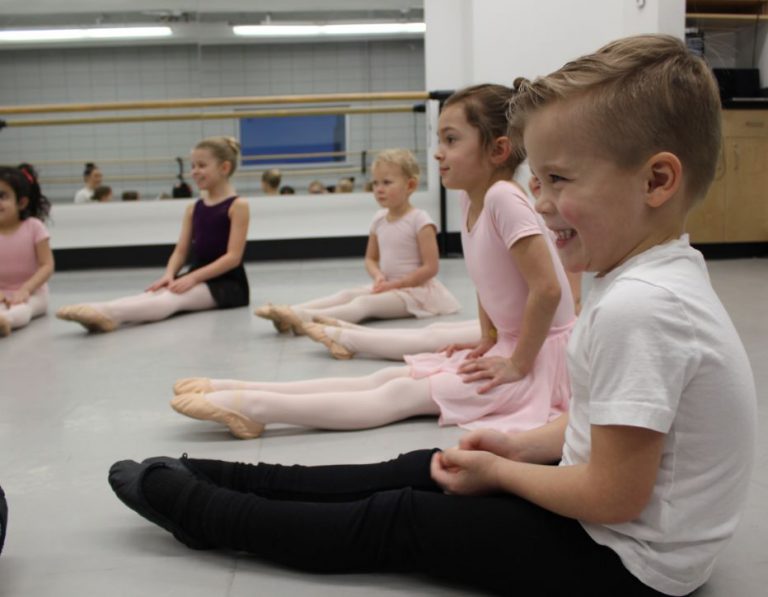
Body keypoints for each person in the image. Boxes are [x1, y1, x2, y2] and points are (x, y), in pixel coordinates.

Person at [110, 35, 756, 596]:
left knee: (401, 518)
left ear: (655, 181)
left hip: (629, 564)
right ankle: (222, 475)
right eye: (539, 180)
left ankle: (207, 510)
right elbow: (599, 427)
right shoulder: (641, 277)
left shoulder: (642, 307)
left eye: (560, 180)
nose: (543, 202)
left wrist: (504, 471)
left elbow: (615, 495)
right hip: (614, 523)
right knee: (422, 467)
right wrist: (517, 445)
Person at [173, 86, 574, 437]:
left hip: (541, 361)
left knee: (399, 394)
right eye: (439, 139)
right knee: (388, 375)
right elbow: (491, 281)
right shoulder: (469, 197)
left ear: (498, 149)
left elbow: (548, 288)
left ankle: (254, 409)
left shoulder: (505, 197)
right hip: (511, 345)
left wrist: (518, 364)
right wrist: (488, 337)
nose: (438, 152)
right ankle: (237, 387)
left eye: (451, 140)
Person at [56, 137, 250, 332]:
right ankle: (102, 309)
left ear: (224, 168)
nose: (194, 172)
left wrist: (193, 278)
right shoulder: (193, 208)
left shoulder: (238, 206)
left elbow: (233, 257)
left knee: (173, 298)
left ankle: (109, 313)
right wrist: (169, 274)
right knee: (153, 293)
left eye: (201, 165)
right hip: (197, 274)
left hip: (228, 283)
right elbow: (181, 251)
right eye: (192, 166)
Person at [255, 149, 460, 333]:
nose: (379, 189)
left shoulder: (420, 220)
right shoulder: (379, 219)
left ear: (410, 185)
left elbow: (431, 268)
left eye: (387, 183)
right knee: (347, 294)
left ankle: (303, 319)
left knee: (364, 304)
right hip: (387, 285)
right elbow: (370, 259)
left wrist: (397, 284)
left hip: (415, 293)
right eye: (376, 183)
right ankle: (291, 311)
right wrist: (378, 275)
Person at [304, 268, 581, 360]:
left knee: (433, 337)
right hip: (518, 324)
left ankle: (345, 335)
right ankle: (345, 330)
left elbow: (563, 299)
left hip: (539, 331)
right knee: (434, 333)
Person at [0, 164, 54, 337]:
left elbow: (47, 265)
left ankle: (6, 321)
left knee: (23, 308)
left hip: (34, 292)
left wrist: (26, 289)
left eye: (2, 196)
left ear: (21, 202)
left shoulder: (34, 227)